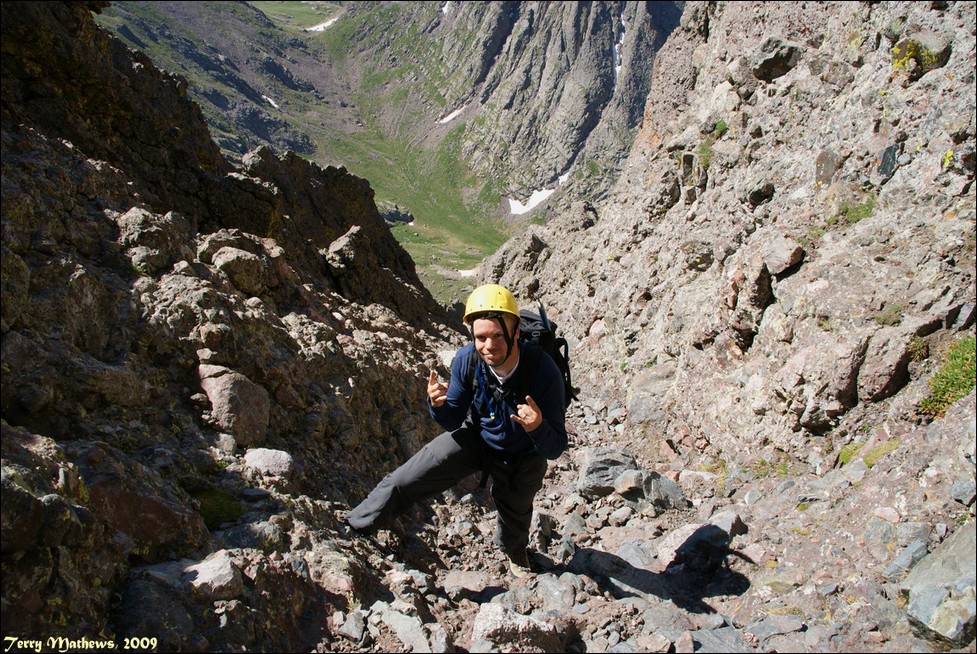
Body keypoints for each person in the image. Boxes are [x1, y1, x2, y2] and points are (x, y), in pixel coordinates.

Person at [345, 284, 568, 577]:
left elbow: (554, 447)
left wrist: (537, 427)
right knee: (409, 475)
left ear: (515, 333)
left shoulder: (543, 371)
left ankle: (515, 553)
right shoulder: (468, 360)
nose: (489, 346)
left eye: (498, 335)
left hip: (524, 452)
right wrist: (437, 405)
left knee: (515, 512)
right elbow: (453, 420)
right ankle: (355, 526)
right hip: (476, 435)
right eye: (481, 337)